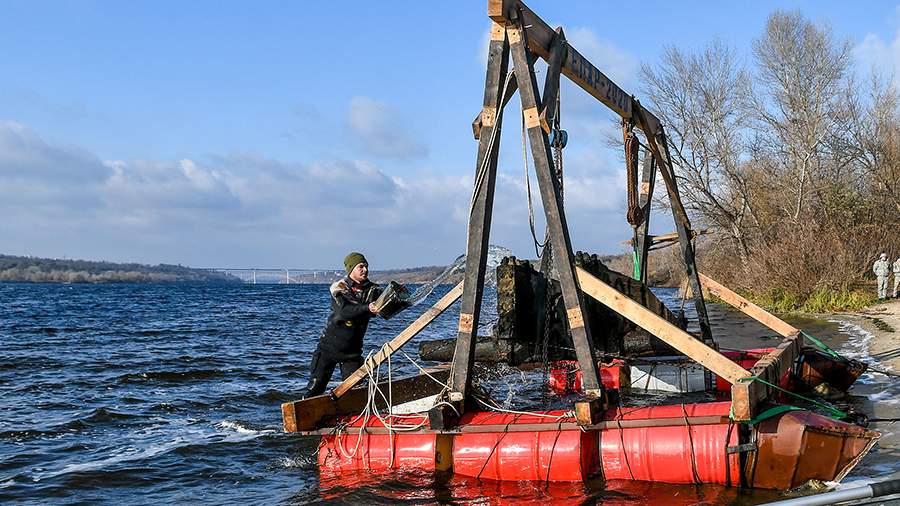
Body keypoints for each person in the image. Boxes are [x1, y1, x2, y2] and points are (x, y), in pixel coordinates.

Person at [301, 252, 381, 399]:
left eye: (366, 266)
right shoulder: (339, 287)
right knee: (315, 390)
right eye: (361, 267)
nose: (365, 270)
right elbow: (344, 311)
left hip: (352, 354)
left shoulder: (373, 290)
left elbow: (387, 306)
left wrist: (398, 297)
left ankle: (354, 419)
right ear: (351, 270)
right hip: (328, 350)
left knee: (357, 393)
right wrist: (367, 308)